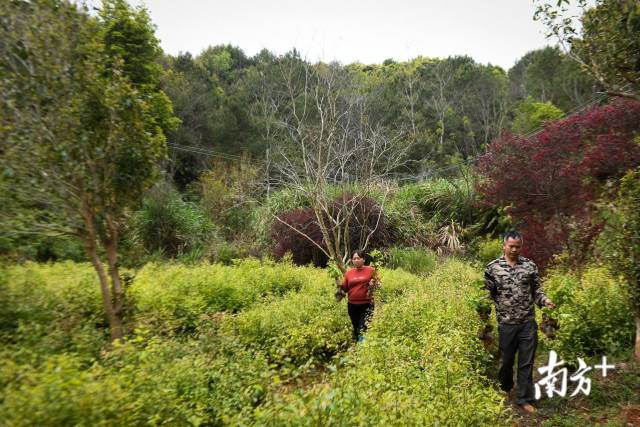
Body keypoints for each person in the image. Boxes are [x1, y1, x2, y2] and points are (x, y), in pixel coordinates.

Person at [484, 231, 556, 414]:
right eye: (511, 246)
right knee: (506, 362)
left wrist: (545, 301)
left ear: (521, 247)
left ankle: (524, 399)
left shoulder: (529, 266)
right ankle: (506, 388)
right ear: (504, 246)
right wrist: (483, 315)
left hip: (527, 323)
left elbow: (536, 291)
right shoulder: (492, 268)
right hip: (506, 324)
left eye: (517, 246)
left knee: (526, 363)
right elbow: (487, 296)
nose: (514, 249)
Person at [340, 250, 377, 342]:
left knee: (363, 327)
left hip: (367, 304)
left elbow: (379, 285)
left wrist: (373, 285)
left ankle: (362, 348)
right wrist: (339, 287)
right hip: (352, 305)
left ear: (363, 259)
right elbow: (345, 288)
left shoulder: (371, 270)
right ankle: (357, 343)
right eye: (354, 259)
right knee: (356, 325)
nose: (356, 260)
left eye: (358, 258)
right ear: (352, 261)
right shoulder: (349, 273)